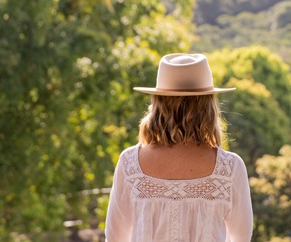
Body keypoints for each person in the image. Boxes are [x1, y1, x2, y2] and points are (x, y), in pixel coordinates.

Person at [105, 53, 253, 242]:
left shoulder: (130, 164)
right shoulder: (229, 168)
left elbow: (114, 237)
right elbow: (242, 238)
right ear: (209, 106)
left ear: (158, 103)